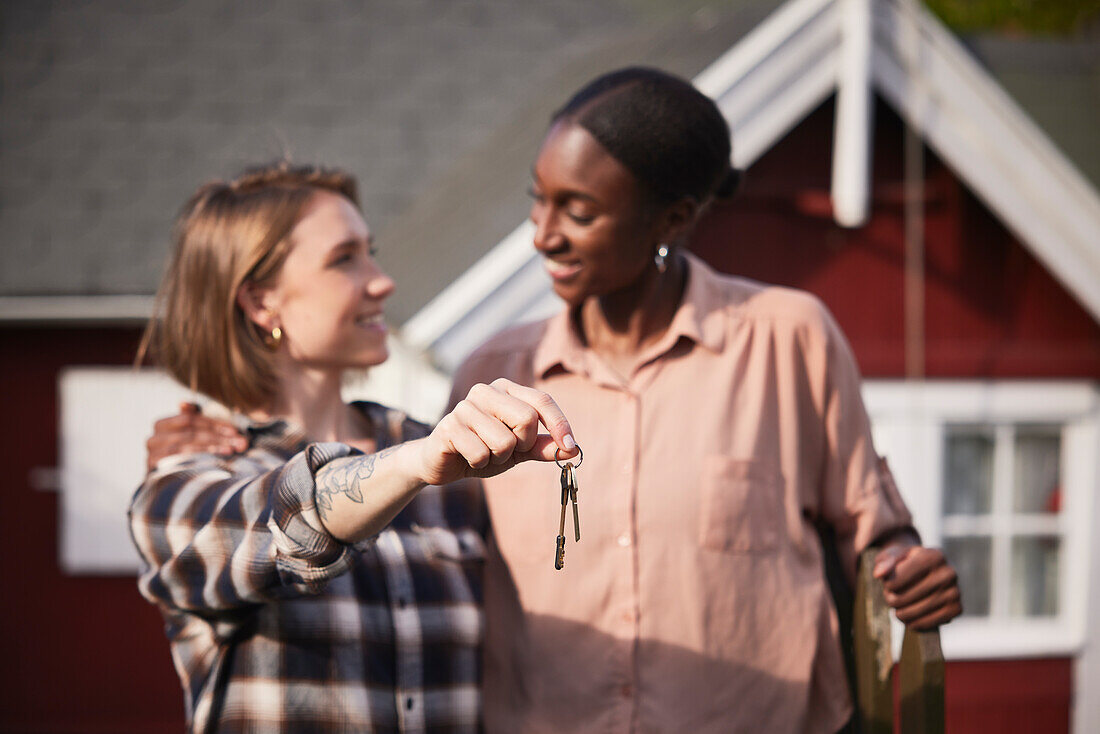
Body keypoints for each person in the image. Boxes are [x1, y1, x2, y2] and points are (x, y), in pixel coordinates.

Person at [148, 69, 962, 733]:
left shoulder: (789, 338)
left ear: (672, 218)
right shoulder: (479, 395)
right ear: (261, 303)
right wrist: (212, 461)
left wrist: (903, 566)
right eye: (538, 200)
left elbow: (876, 531)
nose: (541, 232)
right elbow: (251, 527)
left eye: (577, 209)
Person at [129, 161, 579, 733]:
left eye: (370, 251)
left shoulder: (448, 464)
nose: (382, 280)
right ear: (261, 302)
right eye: (345, 258)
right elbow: (284, 520)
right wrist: (414, 465)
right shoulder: (184, 483)